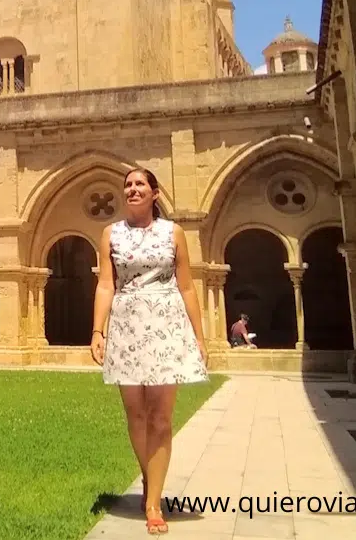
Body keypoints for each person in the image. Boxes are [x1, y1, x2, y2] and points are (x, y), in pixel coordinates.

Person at [91, 166, 208, 535]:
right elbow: (106, 284)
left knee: (160, 418)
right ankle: (149, 475)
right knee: (136, 415)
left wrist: (199, 337)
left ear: (154, 193)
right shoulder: (111, 234)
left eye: (140, 184)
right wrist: (98, 330)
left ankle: (153, 503)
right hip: (127, 324)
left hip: (166, 324)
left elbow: (186, 286)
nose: (132, 189)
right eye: (128, 184)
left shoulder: (173, 232)